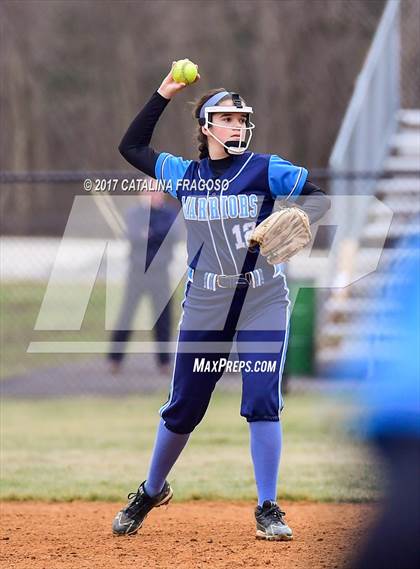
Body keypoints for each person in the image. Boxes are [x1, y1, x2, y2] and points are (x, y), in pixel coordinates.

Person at [111, 63, 330, 540]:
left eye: (241, 117)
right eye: (227, 117)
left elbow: (318, 200)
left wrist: (293, 216)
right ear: (206, 125)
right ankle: (151, 490)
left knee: (260, 400)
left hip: (262, 299)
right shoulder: (184, 174)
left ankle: (268, 508)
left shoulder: (265, 168)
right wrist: (164, 92)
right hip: (206, 301)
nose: (237, 124)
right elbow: (130, 147)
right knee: (184, 407)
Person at [108, 191, 180, 375]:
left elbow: (171, 234)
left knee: (163, 318)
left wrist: (149, 233)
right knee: (127, 314)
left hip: (160, 273)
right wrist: (151, 235)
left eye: (157, 192)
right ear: (142, 194)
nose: (154, 196)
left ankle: (164, 362)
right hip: (137, 273)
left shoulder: (170, 213)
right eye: (149, 192)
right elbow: (133, 234)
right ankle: (115, 359)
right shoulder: (134, 214)